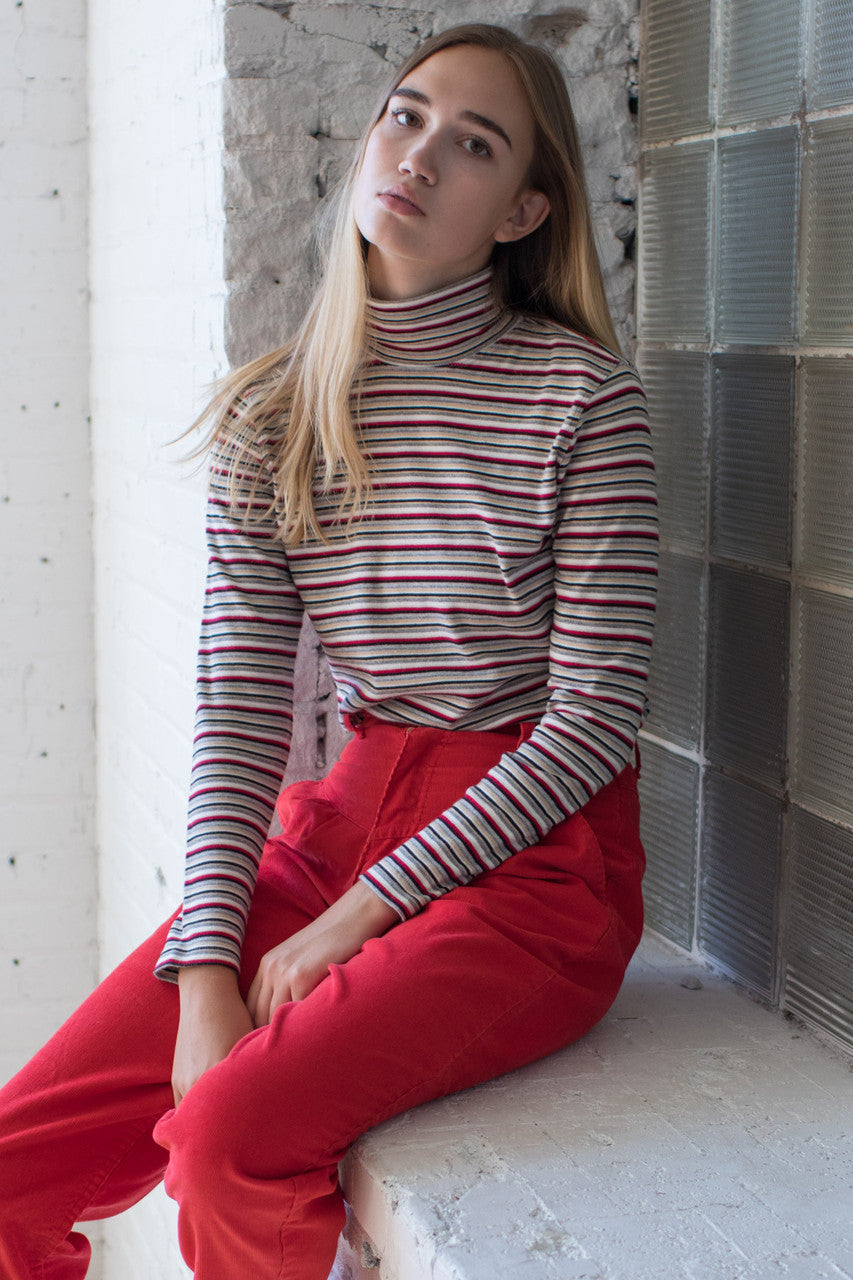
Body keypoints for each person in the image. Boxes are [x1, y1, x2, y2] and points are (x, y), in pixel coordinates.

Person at [0, 22, 657, 1280]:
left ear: (522, 210)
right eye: (404, 115)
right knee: (13, 1162)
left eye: (472, 143)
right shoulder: (276, 413)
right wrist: (206, 968)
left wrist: (361, 914)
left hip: (533, 867)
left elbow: (593, 721)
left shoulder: (581, 402)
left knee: (230, 1140)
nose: (418, 155)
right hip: (333, 829)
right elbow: (240, 711)